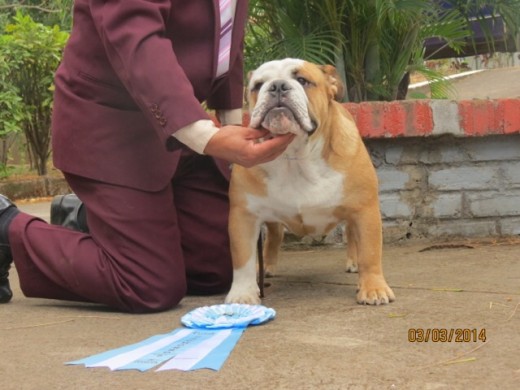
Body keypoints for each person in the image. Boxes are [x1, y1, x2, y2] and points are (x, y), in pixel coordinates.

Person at [0, 0, 294, 312]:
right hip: (111, 127)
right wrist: (207, 136)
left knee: (218, 267)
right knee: (147, 285)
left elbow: (225, 41)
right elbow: (135, 37)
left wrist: (233, 126)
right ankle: (7, 226)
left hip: (179, 127)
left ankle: (100, 219)